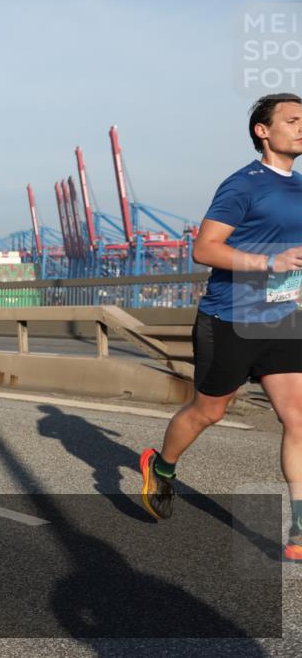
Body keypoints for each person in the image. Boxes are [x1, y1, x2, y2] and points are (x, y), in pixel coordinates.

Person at [139, 93, 302, 560]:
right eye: (292, 120)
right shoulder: (243, 185)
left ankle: (298, 529)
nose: (301, 128)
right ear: (263, 131)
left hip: (283, 318)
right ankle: (162, 466)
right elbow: (204, 248)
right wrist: (268, 263)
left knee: (298, 418)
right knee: (207, 412)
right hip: (230, 318)